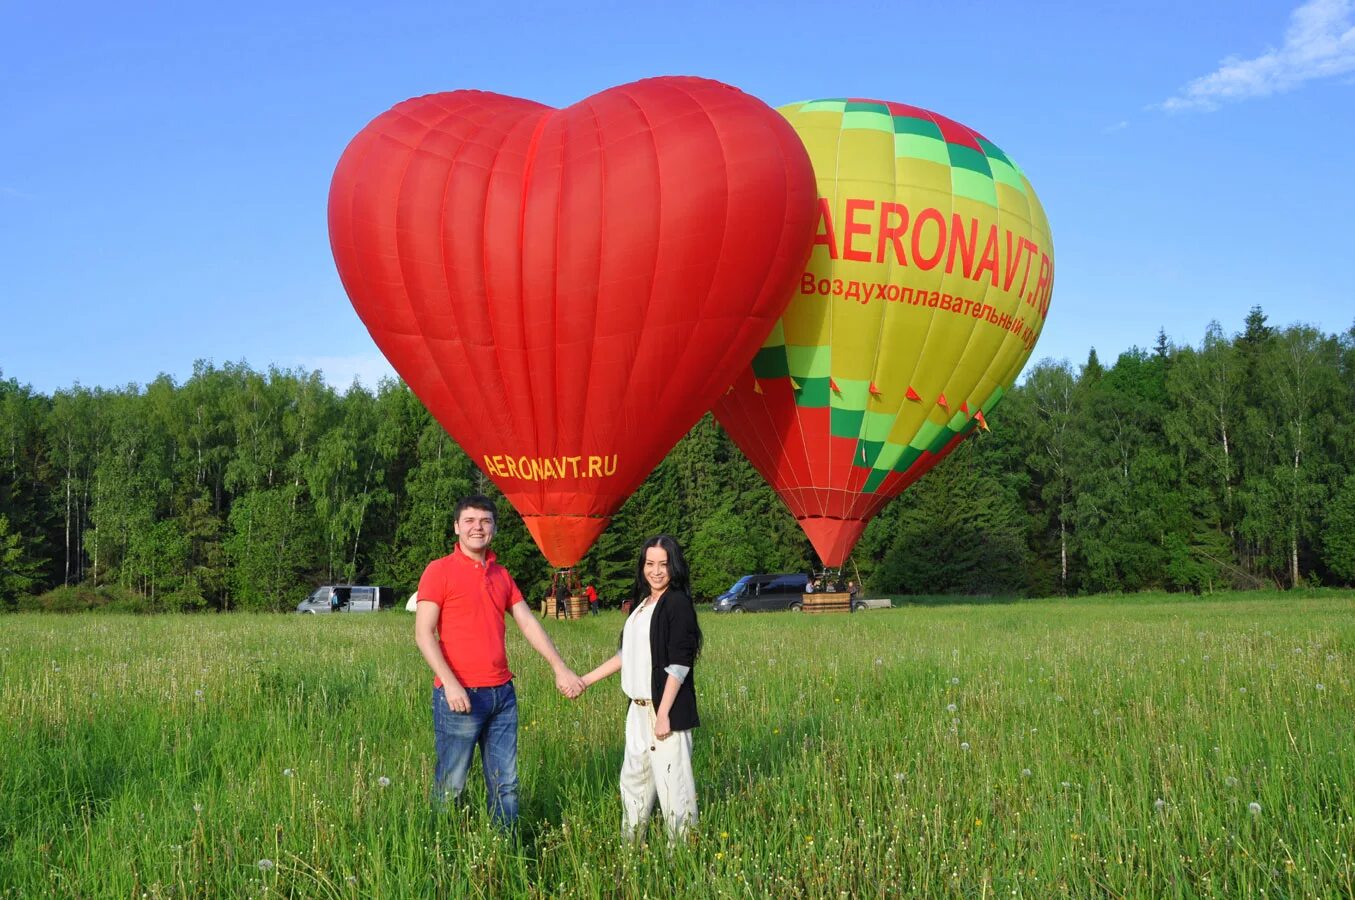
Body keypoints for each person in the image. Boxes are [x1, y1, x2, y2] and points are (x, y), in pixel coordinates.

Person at [414, 495, 584, 829]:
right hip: (459, 696)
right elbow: (423, 634)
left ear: (494, 527)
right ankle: (441, 852)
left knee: (505, 785)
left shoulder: (501, 575)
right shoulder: (439, 571)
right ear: (457, 527)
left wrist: (559, 666)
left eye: (485, 521)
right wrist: (450, 683)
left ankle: (502, 853)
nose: (478, 527)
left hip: (502, 696)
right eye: (470, 521)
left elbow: (529, 623)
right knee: (452, 786)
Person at [578, 534, 701, 840]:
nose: (656, 571)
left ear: (675, 566)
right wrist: (585, 681)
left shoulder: (677, 603)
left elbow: (679, 664)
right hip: (637, 710)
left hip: (664, 710)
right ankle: (630, 845)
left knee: (675, 788)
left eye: (664, 564)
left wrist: (664, 714)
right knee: (633, 781)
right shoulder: (642, 604)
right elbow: (626, 656)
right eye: (650, 563)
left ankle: (682, 857)